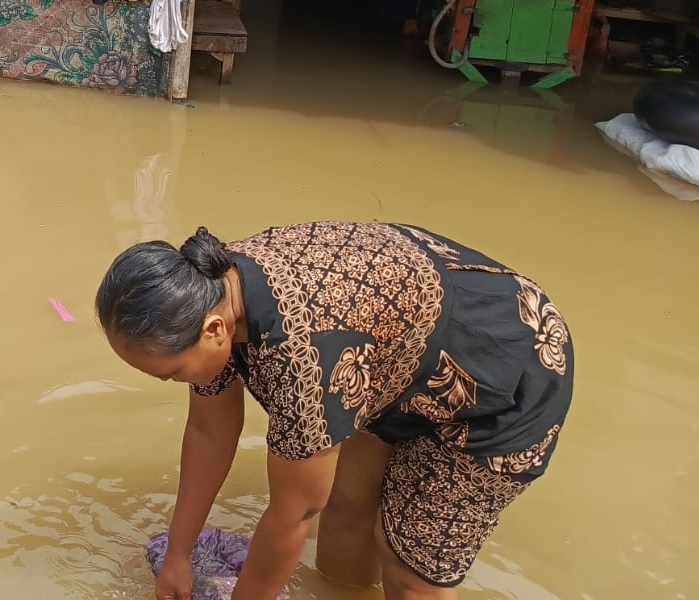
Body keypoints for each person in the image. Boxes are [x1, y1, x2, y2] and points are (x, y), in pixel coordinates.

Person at [96, 223, 572, 600]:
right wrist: (180, 552)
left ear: (215, 330)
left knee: (411, 567)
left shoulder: (301, 358)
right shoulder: (209, 287)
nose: (175, 383)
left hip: (506, 370)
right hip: (390, 359)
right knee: (346, 509)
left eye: (173, 373)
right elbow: (208, 430)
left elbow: (295, 512)